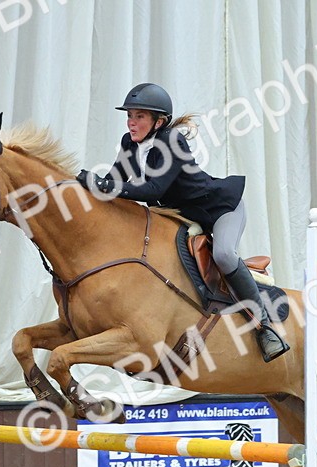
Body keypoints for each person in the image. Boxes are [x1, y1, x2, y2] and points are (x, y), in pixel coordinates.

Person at [76, 83, 289, 362]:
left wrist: (102, 184)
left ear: (159, 121)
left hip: (219, 209)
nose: (131, 121)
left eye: (140, 116)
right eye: (130, 115)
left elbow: (153, 191)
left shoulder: (171, 141)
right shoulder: (129, 144)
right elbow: (117, 181)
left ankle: (265, 327)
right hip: (185, 216)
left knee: (224, 255)